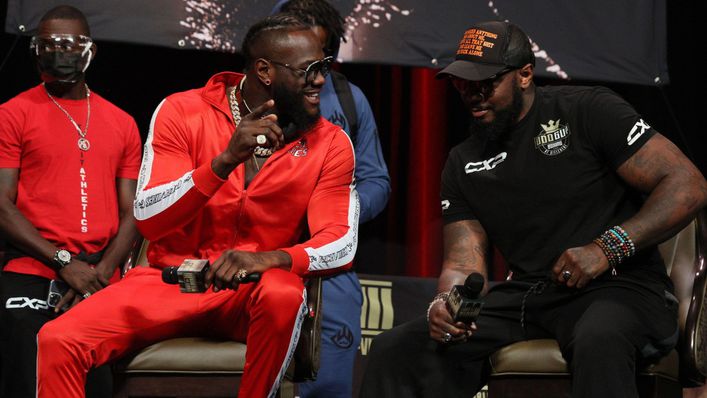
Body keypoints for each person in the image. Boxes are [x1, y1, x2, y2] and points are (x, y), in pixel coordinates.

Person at [359, 20, 707, 398]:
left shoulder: (587, 110)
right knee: (395, 350)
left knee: (599, 336)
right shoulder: (463, 163)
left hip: (622, 287)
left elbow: (688, 184)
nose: (472, 94)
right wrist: (445, 305)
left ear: (524, 74)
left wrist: (607, 248)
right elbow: (462, 264)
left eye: (485, 83)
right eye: (462, 83)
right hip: (531, 296)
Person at [35, 14, 359, 398]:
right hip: (168, 283)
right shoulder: (181, 111)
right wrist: (222, 162)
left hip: (250, 292)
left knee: (283, 293)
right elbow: (150, 218)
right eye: (309, 70)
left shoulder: (332, 143)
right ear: (265, 71)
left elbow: (341, 242)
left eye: (323, 67)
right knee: (58, 339)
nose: (321, 80)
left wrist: (269, 259)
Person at [0, 5, 142, 398]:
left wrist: (97, 275)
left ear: (90, 51)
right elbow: (2, 205)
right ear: (34, 51)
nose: (57, 52)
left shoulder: (122, 122)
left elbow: (133, 212)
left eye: (67, 44)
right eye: (46, 45)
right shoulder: (12, 114)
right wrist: (64, 263)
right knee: (26, 372)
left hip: (100, 273)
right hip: (32, 266)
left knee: (93, 381)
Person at [272, 0, 391, 396]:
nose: (311, 72)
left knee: (329, 383)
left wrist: (339, 212)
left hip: (329, 266)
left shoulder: (350, 99)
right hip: (256, 254)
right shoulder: (246, 96)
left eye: (317, 57)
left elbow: (376, 180)